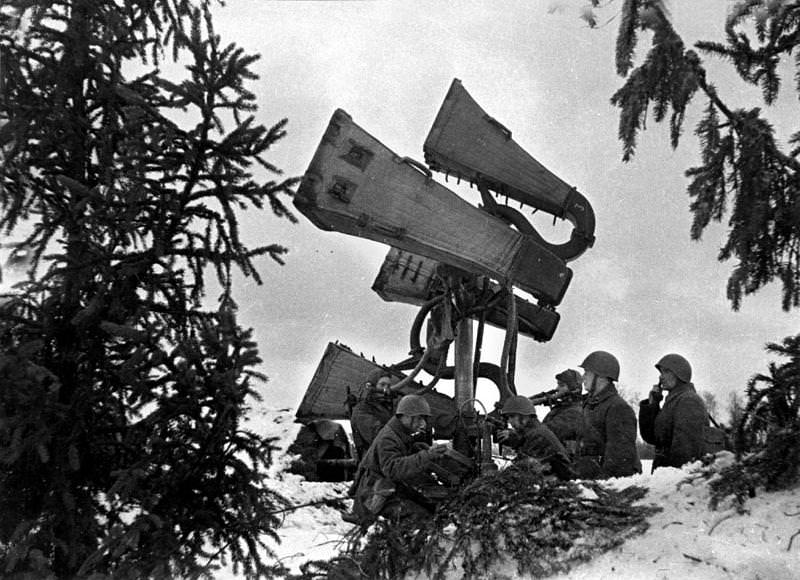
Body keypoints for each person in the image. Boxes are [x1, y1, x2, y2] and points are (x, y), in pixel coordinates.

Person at [350, 394, 450, 525]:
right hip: (373, 496)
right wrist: (426, 455)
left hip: (386, 488)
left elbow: (400, 456)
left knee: (432, 506)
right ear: (407, 417)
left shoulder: (399, 433)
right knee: (421, 518)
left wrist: (415, 448)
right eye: (419, 418)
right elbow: (392, 469)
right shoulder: (389, 438)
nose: (423, 424)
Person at [638, 353, 709, 472]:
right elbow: (652, 437)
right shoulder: (673, 401)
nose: (661, 377)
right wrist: (653, 404)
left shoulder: (688, 401)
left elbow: (685, 452)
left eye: (666, 372)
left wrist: (672, 481)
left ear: (679, 374)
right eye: (661, 373)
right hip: (665, 474)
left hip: (675, 478)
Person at [576, 351, 641, 479]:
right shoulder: (589, 405)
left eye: (587, 373)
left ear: (601, 377)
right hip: (590, 479)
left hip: (609, 484)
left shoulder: (617, 408)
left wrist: (602, 484)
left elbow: (620, 459)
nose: (583, 378)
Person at [496, 395, 575, 480]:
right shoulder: (535, 431)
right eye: (508, 418)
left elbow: (521, 468)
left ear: (525, 416)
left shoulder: (537, 435)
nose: (510, 421)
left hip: (560, 485)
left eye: (512, 416)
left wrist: (496, 478)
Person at [349, 369, 396, 462]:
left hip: (387, 460)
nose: (386, 389)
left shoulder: (386, 408)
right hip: (373, 466)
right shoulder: (362, 410)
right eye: (382, 385)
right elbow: (379, 437)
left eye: (388, 386)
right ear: (371, 386)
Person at [541, 369, 585, 459]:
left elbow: (544, 435)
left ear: (574, 389)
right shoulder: (562, 409)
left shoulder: (574, 413)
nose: (557, 389)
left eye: (561, 385)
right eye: (558, 384)